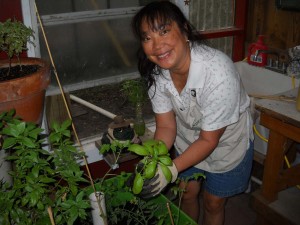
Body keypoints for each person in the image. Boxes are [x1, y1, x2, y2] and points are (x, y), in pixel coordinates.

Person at [131, 1, 254, 225]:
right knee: (186, 193)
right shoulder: (157, 73)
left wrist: (171, 168)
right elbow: (167, 126)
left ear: (184, 29)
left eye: (164, 31)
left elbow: (209, 140)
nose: (157, 45)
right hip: (188, 139)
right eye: (147, 38)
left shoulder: (217, 72)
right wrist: (154, 161)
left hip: (225, 144)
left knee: (213, 202)